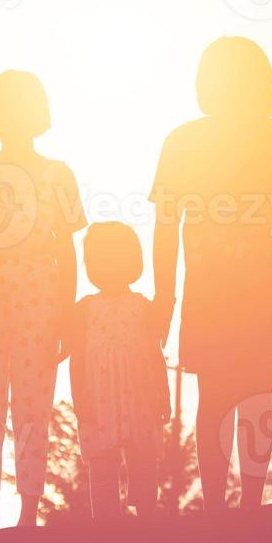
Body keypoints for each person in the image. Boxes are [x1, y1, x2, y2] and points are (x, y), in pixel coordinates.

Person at [149, 37, 272, 512]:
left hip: (267, 299)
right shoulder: (184, 142)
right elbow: (166, 222)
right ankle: (222, 506)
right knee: (223, 396)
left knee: (251, 394)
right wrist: (165, 298)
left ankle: (244, 504)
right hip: (212, 297)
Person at [0, 70, 86, 534]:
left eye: (23, 106)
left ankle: (28, 514)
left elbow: (68, 249)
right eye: (6, 106)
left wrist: (66, 313)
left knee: (33, 403)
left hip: (40, 295)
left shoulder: (57, 174)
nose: (15, 115)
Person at [66, 223, 170, 520]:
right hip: (99, 400)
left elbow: (155, 352)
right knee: (101, 464)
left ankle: (146, 522)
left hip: (141, 397)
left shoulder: (143, 307)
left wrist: (163, 395)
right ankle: (106, 527)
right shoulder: (84, 309)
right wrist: (79, 400)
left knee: (144, 461)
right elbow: (77, 358)